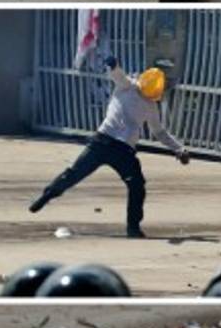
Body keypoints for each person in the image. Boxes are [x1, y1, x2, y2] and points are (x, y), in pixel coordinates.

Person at [28, 55, 188, 238]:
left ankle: (46, 196)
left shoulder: (138, 95)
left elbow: (117, 74)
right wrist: (179, 149)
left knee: (73, 173)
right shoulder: (138, 94)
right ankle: (133, 228)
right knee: (136, 186)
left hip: (102, 143)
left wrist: (178, 149)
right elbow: (159, 132)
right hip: (122, 150)